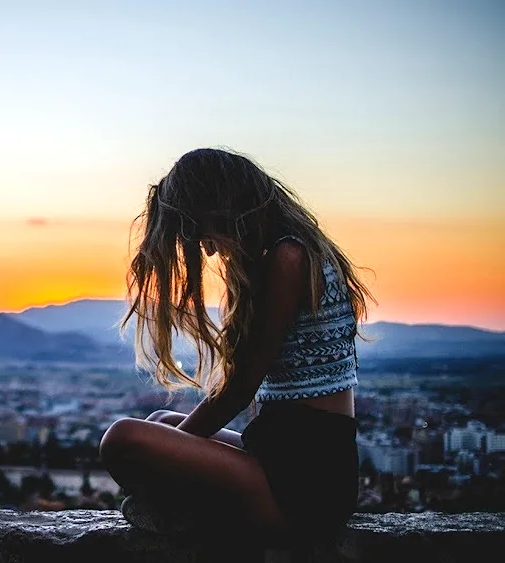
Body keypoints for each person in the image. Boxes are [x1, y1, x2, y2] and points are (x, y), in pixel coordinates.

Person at [99, 147, 374, 542]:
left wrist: (168, 454)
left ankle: (181, 513)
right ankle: (182, 510)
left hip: (302, 487)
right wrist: (172, 445)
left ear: (223, 206)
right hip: (279, 458)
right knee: (159, 424)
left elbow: (241, 388)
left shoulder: (288, 257)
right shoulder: (283, 252)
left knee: (123, 439)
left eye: (201, 229)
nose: (208, 249)